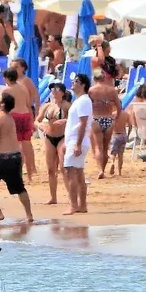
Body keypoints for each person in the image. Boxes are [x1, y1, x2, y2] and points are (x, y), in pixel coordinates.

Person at [0, 91, 34, 225]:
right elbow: (3, 139)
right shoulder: (10, 118)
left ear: (3, 104)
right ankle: (29, 215)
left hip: (3, 158)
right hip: (16, 156)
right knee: (20, 187)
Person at [62, 73, 92, 215]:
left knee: (70, 171)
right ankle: (82, 205)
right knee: (78, 173)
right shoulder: (79, 100)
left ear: (83, 84)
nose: (73, 83)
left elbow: (83, 123)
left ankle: (74, 205)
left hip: (77, 140)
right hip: (74, 140)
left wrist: (78, 144)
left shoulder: (84, 101)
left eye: (77, 81)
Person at [36, 82, 70, 204]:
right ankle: (53, 197)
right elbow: (36, 120)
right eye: (52, 90)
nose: (54, 92)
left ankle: (71, 196)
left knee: (63, 167)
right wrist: (40, 126)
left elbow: (75, 118)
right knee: (51, 169)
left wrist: (64, 120)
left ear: (62, 92)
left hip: (62, 137)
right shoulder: (47, 106)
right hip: (49, 137)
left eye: (56, 89)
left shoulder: (66, 106)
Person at [88, 68, 122, 180]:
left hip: (96, 119)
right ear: (104, 77)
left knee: (98, 147)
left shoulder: (91, 91)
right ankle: (103, 168)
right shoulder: (111, 90)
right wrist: (115, 118)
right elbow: (119, 106)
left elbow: (85, 106)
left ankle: (100, 170)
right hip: (108, 119)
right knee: (106, 147)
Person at [109, 108, 129, 177]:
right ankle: (119, 172)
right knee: (121, 155)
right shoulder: (126, 114)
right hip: (123, 135)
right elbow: (130, 126)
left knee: (113, 153)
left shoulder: (113, 114)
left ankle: (112, 163)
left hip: (115, 134)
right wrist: (128, 135)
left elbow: (110, 125)